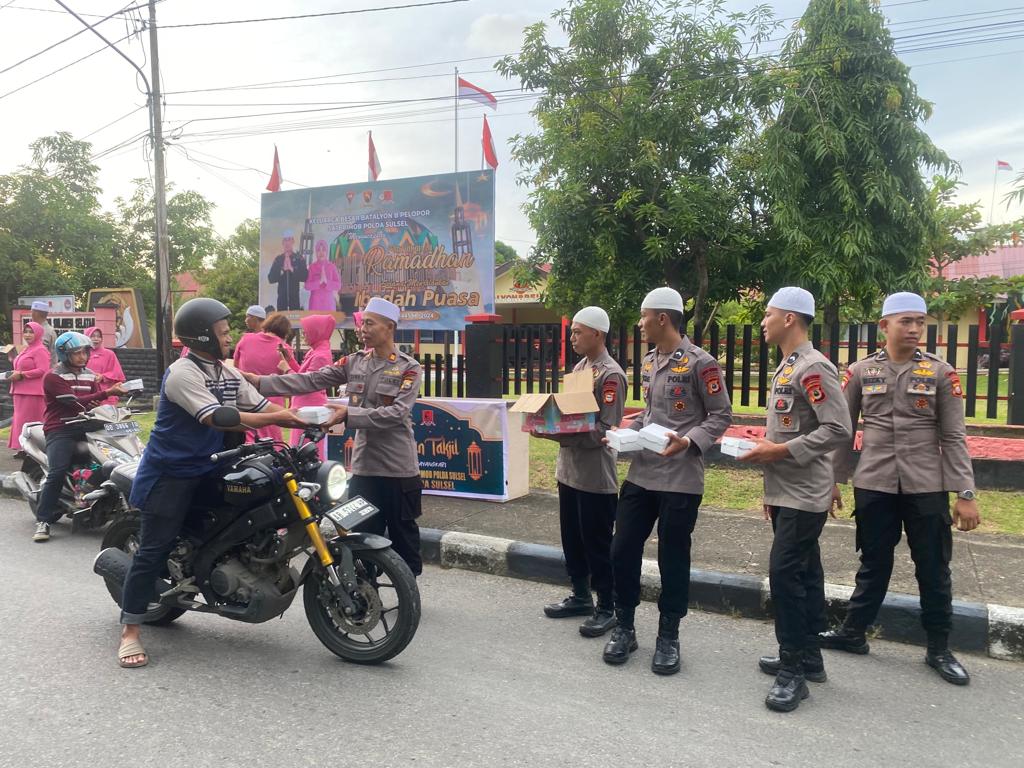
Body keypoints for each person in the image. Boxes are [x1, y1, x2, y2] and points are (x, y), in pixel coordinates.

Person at [117, 298, 311, 669]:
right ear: (203, 336)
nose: (229, 337)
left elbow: (261, 407)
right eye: (222, 333)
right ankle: (130, 630)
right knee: (153, 550)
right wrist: (283, 416)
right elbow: (216, 417)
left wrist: (305, 418)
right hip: (172, 472)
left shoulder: (226, 372)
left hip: (213, 464)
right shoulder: (182, 373)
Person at [820, 292, 979, 686]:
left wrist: (965, 492)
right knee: (873, 562)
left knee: (933, 567)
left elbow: (954, 436)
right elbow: (843, 431)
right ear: (884, 326)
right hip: (874, 483)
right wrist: (833, 480)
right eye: (906, 321)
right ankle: (854, 632)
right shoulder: (860, 371)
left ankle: (939, 648)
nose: (914, 329)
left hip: (926, 486)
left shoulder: (940, 373)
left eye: (920, 322)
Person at [602, 287, 732, 674]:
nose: (639, 323)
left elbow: (720, 415)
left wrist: (690, 441)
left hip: (681, 478)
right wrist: (626, 430)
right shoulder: (648, 362)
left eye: (644, 316)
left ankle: (668, 635)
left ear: (662, 318)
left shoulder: (701, 363)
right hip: (643, 472)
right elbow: (649, 413)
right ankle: (625, 626)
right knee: (622, 548)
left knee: (673, 558)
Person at [243, 297, 424, 575]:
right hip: (365, 467)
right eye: (362, 323)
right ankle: (366, 589)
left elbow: (397, 414)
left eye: (370, 324)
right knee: (362, 537)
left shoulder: (408, 368)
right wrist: (261, 382)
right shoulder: (355, 362)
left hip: (398, 468)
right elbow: (311, 379)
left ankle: (408, 591)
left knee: (404, 537)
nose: (363, 329)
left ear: (389, 327)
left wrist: (348, 414)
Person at [738, 287, 852, 712]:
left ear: (789, 318)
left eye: (768, 314)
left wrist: (780, 451)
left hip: (805, 493)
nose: (763, 321)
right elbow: (793, 427)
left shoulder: (813, 366)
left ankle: (793, 672)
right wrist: (769, 454)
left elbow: (838, 429)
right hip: (787, 489)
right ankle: (810, 657)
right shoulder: (788, 365)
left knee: (785, 575)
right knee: (805, 572)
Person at [536, 306, 626, 638]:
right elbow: (570, 416)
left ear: (597, 334)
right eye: (571, 331)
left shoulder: (610, 375)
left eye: (577, 332)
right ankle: (580, 594)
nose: (571, 337)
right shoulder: (580, 368)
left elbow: (605, 428)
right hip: (570, 470)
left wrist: (558, 435)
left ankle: (607, 606)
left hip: (594, 474)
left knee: (597, 542)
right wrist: (548, 423)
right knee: (572, 537)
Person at [32, 332, 126, 542]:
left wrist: (98, 404)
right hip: (60, 428)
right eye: (77, 353)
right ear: (64, 354)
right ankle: (43, 521)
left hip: (86, 427)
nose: (82, 356)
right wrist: (106, 393)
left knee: (105, 463)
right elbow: (73, 401)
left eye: (85, 352)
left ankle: (88, 496)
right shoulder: (53, 377)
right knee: (57, 472)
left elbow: (91, 402)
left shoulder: (90, 375)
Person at [232, 311, 298, 444]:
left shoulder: (246, 339)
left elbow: (235, 366)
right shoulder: (284, 348)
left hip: (246, 398)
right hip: (272, 403)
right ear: (285, 331)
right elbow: (295, 378)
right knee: (272, 442)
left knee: (247, 439)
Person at [286, 314, 337, 459]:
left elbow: (307, 384)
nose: (303, 335)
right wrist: (290, 361)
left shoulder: (320, 355)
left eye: (306, 331)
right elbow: (303, 375)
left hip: (310, 409)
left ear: (316, 332)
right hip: (305, 407)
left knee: (306, 451)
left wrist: (286, 369)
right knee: (300, 448)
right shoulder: (315, 351)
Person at [7, 322, 52, 453]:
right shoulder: (26, 349)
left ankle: (33, 449)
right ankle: (23, 447)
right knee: (20, 420)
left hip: (33, 392)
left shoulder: (40, 350)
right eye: (25, 332)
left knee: (30, 421)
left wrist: (22, 374)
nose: (27, 335)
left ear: (38, 333)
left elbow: (43, 370)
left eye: (31, 332)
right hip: (19, 390)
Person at [84, 327, 126, 405]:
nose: (96, 339)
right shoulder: (82, 354)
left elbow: (117, 373)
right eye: (92, 336)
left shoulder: (109, 354)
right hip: (86, 392)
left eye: (98, 336)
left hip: (106, 394)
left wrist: (103, 377)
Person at [267, 230, 308, 311]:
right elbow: (271, 279)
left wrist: (292, 269)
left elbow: (305, 277)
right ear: (282, 242)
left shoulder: (299, 258)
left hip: (295, 301)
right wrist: (282, 270)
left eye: (289, 239)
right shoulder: (278, 259)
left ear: (293, 241)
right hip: (281, 301)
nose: (287, 243)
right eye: (285, 240)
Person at [305, 240, 341, 311]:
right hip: (315, 304)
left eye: (323, 250)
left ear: (326, 252)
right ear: (316, 252)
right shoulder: (312, 267)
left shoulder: (332, 267)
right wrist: (319, 282)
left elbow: (338, 285)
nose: (321, 253)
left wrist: (327, 282)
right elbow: (307, 286)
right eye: (319, 250)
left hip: (329, 305)